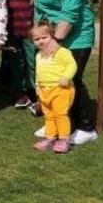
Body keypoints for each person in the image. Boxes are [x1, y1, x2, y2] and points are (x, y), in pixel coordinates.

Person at [25, 0, 97, 145]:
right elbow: (40, 10)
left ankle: (86, 127)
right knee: (53, 80)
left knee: (72, 79)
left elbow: (70, 13)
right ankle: (59, 124)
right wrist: (39, 37)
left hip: (76, 36)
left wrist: (55, 41)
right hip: (52, 37)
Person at [31, 20, 77, 154]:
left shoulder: (61, 52)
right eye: (36, 39)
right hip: (44, 91)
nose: (40, 41)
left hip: (60, 89)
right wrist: (37, 85)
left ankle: (63, 140)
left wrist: (66, 77)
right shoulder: (39, 55)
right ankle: (50, 137)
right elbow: (39, 72)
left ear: (52, 36)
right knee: (49, 115)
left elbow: (71, 65)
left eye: (44, 37)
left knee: (61, 115)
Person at [2, 0, 38, 111]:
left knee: (32, 63)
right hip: (11, 32)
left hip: (29, 32)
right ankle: (19, 94)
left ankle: (34, 93)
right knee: (16, 64)